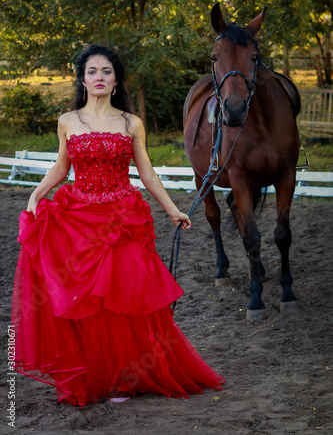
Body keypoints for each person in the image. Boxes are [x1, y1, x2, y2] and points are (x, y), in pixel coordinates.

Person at [11, 44, 225, 406]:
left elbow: (147, 173)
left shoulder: (130, 123)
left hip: (122, 219)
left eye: (106, 71)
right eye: (92, 71)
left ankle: (125, 379)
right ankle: (97, 373)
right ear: (82, 78)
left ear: (115, 80)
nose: (99, 77)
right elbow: (62, 167)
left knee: (123, 299)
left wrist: (173, 209)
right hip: (78, 217)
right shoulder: (68, 121)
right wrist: (37, 193)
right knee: (86, 302)